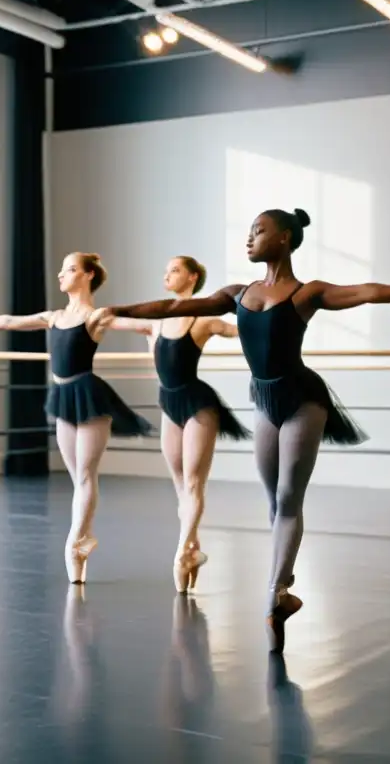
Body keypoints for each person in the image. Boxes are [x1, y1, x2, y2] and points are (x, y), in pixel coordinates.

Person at [103, 208, 390, 652]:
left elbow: (361, 291)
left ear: (283, 238)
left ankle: (275, 592)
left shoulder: (305, 292)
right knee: (272, 502)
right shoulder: (236, 294)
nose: (249, 238)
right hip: (264, 401)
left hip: (303, 399)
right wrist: (117, 310)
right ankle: (283, 585)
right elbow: (171, 307)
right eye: (248, 232)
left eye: (259, 231)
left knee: (287, 497)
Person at [0, 252, 154, 585]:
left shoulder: (96, 317)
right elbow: (9, 320)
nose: (60, 275)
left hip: (89, 394)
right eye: (61, 270)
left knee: (85, 474)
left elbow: (143, 325)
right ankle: (82, 542)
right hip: (63, 395)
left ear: (88, 275)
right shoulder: (53, 317)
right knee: (76, 477)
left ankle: (76, 541)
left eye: (69, 270)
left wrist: (155, 344)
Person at [138, 255, 250, 594]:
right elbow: (115, 320)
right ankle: (192, 550)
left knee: (193, 483)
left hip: (198, 404)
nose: (166, 275)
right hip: (168, 404)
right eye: (166, 269)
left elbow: (240, 330)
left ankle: (180, 554)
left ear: (192, 278)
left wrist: (267, 316)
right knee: (179, 486)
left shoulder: (202, 318)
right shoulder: (155, 320)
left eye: (174, 270)